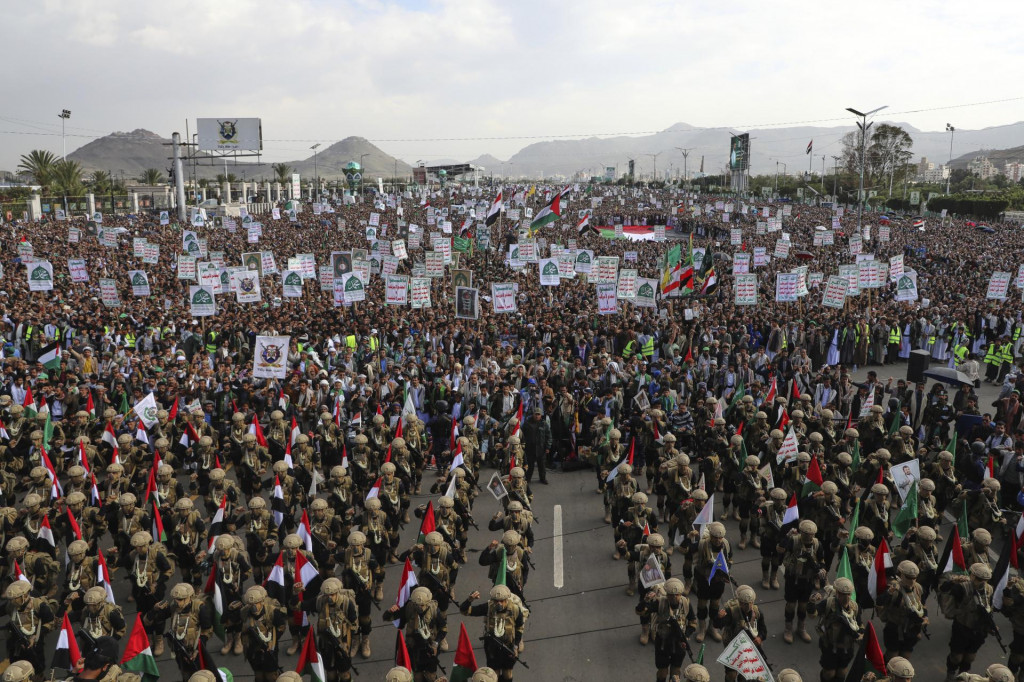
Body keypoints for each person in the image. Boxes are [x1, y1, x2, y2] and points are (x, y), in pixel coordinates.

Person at [459, 585, 527, 682]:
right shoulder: (488, 607)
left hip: (509, 646)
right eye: (496, 601)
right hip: (492, 648)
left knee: (508, 674)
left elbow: (519, 628)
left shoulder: (515, 609)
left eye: (502, 600)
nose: (499, 603)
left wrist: (516, 645)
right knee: (494, 674)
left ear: (506, 599)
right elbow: (465, 611)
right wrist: (469, 600)